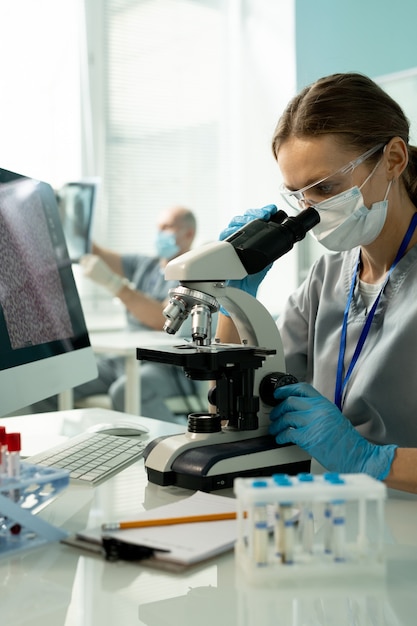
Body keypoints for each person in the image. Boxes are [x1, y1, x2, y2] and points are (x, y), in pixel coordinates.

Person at [217, 72, 417, 494]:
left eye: (326, 187)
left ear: (394, 160)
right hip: (332, 513)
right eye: (301, 195)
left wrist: (369, 459)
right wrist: (231, 298)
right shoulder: (327, 278)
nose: (312, 210)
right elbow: (237, 398)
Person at [34, 205, 199, 422]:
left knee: (125, 390)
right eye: (158, 227)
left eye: (167, 227)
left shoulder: (194, 276)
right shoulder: (145, 265)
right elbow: (95, 252)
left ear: (188, 233)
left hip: (165, 368)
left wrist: (114, 285)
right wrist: (68, 216)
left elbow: (162, 320)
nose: (160, 233)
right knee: (49, 384)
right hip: (122, 360)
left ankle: (164, 450)